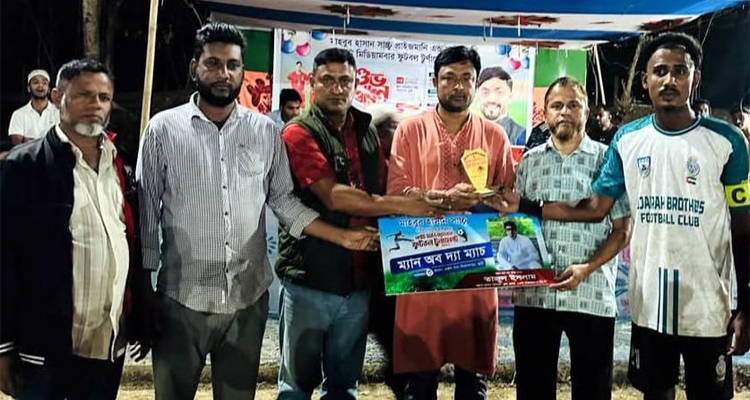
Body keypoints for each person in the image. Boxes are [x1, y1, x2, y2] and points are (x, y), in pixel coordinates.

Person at [493, 32, 750, 400]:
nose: (669, 80)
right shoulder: (627, 140)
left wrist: (746, 307)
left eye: (680, 71)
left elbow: (743, 228)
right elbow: (595, 208)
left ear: (695, 77)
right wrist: (525, 207)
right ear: (645, 80)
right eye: (660, 71)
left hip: (708, 307)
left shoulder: (728, 141)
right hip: (649, 308)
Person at [137, 23, 378, 400]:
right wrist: (143, 290)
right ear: (194, 67)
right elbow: (147, 213)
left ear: (242, 71)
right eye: (213, 64)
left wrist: (344, 237)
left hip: (246, 302)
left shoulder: (265, 132)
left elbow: (284, 202)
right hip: (182, 299)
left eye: (233, 65)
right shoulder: (162, 130)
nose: (224, 74)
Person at [276, 47, 439, 400]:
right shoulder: (298, 133)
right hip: (311, 281)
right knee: (296, 388)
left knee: (344, 387)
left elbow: (382, 187)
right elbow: (333, 196)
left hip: (359, 282)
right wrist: (407, 205)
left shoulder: (365, 130)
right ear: (312, 83)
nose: (337, 88)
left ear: (355, 84)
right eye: (328, 80)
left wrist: (432, 202)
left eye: (345, 81)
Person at [0, 58, 150, 400]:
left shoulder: (121, 165)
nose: (95, 105)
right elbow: (4, 258)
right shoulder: (25, 166)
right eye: (83, 95)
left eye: (104, 97)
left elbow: (131, 243)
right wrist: (3, 347)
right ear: (57, 97)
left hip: (107, 349)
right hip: (44, 353)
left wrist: (140, 314)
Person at [387, 45, 515, 400]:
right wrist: (445, 198)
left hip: (473, 263)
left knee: (472, 380)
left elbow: (508, 198)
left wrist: (486, 200)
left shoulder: (495, 136)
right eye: (449, 78)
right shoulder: (410, 130)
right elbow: (395, 194)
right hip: (421, 260)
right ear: (435, 82)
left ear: (476, 84)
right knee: (420, 378)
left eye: (466, 78)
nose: (458, 86)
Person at [512, 76, 631, 400]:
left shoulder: (608, 160)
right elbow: (516, 226)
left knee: (593, 392)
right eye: (557, 105)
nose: (564, 112)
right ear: (545, 113)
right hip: (535, 297)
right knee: (532, 392)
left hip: (591, 294)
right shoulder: (529, 162)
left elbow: (622, 231)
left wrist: (587, 268)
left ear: (587, 112)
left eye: (573, 105)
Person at [476, 66, 526, 145]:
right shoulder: (467, 132)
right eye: (485, 92)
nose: (491, 99)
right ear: (478, 96)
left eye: (499, 92)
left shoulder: (521, 135)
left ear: (510, 96)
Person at [8, 69, 60, 145]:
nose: (40, 86)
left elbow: (61, 142)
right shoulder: (18, 114)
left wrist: (28, 141)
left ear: (49, 89)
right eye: (36, 82)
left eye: (44, 83)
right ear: (29, 88)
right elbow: (18, 146)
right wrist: (48, 142)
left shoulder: (59, 113)